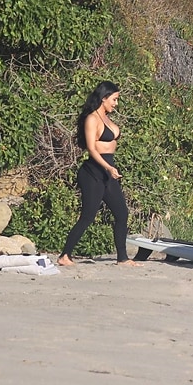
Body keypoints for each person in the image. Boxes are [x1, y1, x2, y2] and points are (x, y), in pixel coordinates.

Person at [58, 81, 140, 267]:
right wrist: (108, 168)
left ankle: (122, 258)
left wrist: (110, 169)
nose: (116, 103)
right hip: (93, 172)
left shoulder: (107, 119)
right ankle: (65, 255)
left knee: (122, 214)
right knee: (88, 216)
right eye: (114, 99)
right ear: (104, 98)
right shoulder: (92, 119)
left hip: (107, 172)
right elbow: (92, 149)